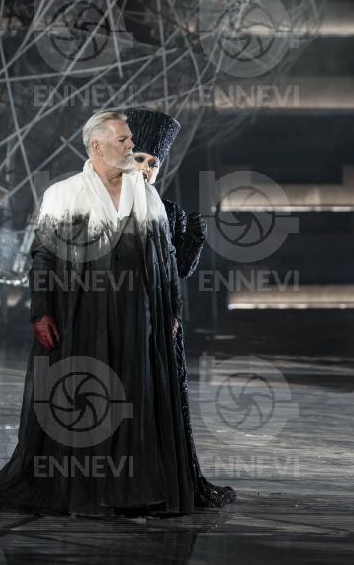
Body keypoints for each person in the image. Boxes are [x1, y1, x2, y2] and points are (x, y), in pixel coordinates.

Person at [0, 110, 213, 517]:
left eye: (130, 139)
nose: (131, 146)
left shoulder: (148, 196)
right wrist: (41, 312)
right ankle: (84, 491)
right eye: (122, 140)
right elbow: (44, 256)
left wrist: (173, 312)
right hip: (82, 312)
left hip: (139, 315)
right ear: (96, 146)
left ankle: (133, 490)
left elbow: (166, 258)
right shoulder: (63, 193)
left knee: (137, 395)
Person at [123, 106, 237, 508]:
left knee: (158, 398)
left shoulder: (168, 211)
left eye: (153, 163)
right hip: (117, 316)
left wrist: (194, 237)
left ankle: (157, 481)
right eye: (140, 159)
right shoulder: (103, 205)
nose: (146, 169)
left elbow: (179, 271)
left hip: (160, 318)